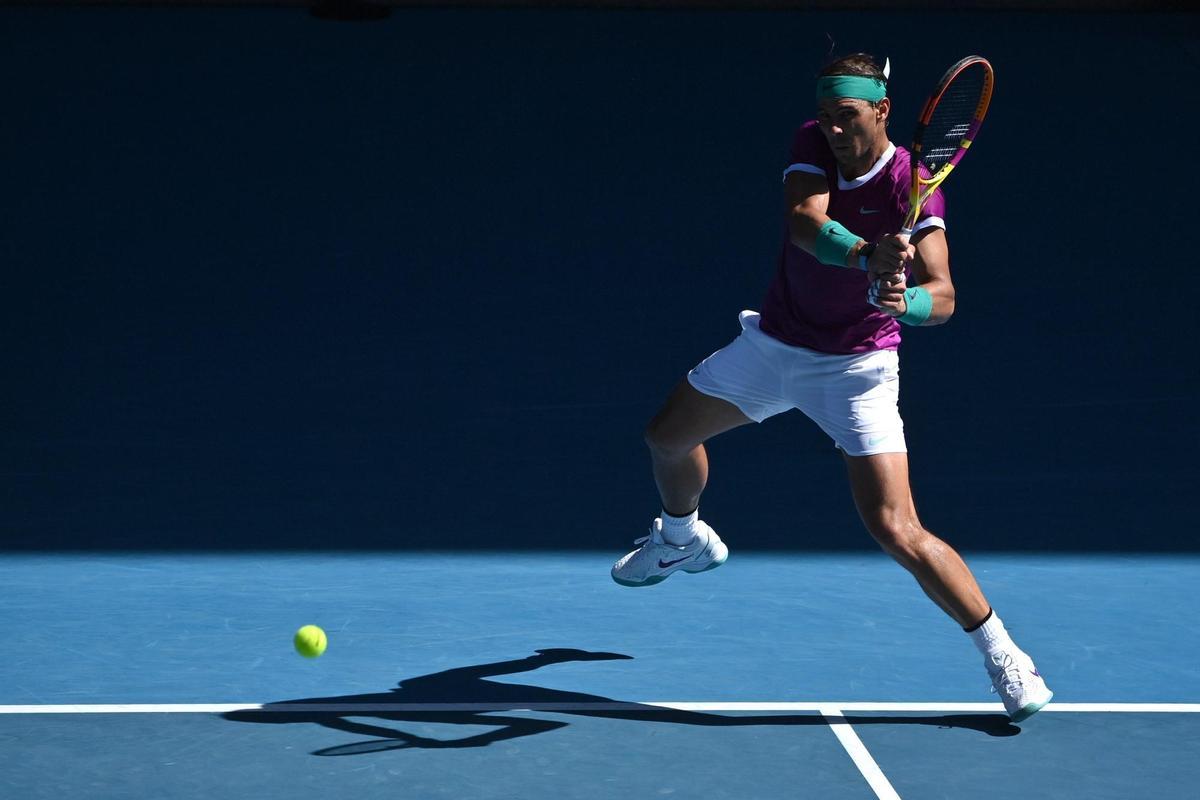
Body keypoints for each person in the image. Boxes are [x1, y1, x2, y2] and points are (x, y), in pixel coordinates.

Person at [610, 53, 1053, 722]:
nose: (835, 130)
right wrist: (863, 255)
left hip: (856, 371)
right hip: (775, 346)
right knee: (666, 438)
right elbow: (804, 224)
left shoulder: (918, 183)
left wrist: (904, 303)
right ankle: (683, 538)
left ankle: (1004, 655)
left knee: (895, 527)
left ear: (881, 111)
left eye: (848, 117)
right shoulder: (811, 143)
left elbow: (947, 298)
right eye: (827, 116)